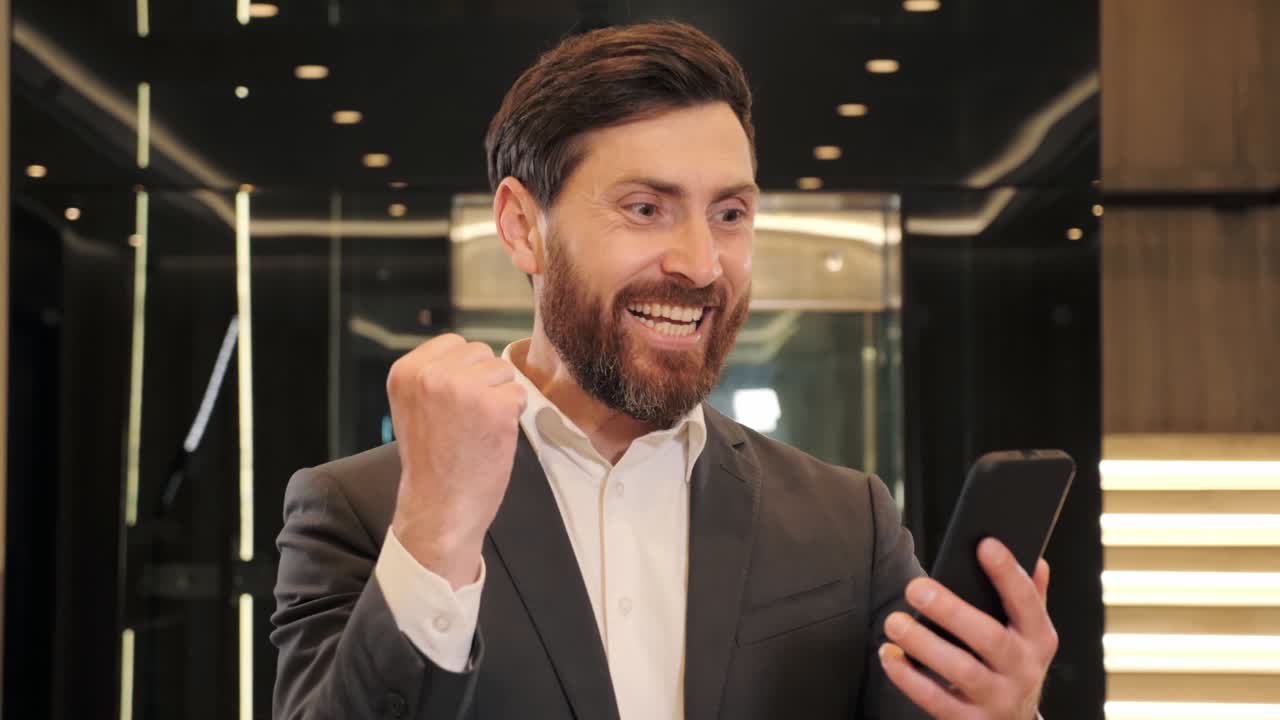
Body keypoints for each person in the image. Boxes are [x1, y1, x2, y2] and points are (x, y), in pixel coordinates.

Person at [270, 21, 1058, 720]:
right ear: (521, 227)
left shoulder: (849, 519)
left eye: (730, 214)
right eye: (646, 208)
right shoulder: (361, 510)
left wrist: (1003, 713)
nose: (700, 264)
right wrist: (437, 532)